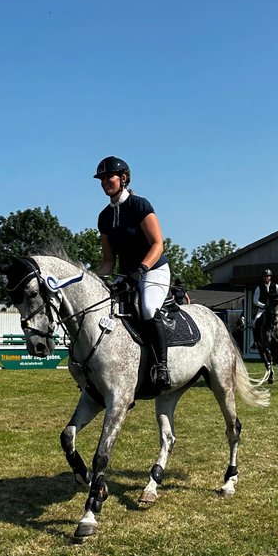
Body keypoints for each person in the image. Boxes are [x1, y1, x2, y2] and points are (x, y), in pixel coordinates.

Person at [93, 155, 172, 390]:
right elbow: (108, 260)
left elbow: (158, 244)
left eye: (109, 177)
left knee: (147, 308)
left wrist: (142, 269)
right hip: (127, 275)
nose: (105, 182)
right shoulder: (104, 217)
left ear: (123, 178)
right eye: (102, 179)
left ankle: (162, 366)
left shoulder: (140, 205)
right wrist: (94, 279)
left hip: (153, 269)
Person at [252, 269, 278, 340]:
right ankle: (255, 341)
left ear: (270, 277)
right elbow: (255, 300)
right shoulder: (259, 287)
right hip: (263, 309)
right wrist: (263, 305)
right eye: (265, 276)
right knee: (255, 322)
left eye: (268, 276)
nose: (266, 278)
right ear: (263, 277)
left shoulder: (275, 286)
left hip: (273, 310)